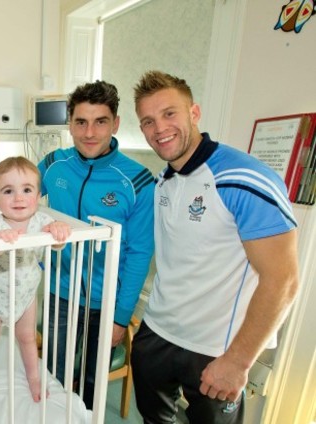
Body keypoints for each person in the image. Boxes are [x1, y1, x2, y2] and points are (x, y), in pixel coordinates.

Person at [131, 70, 300, 424]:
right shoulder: (164, 181)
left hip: (215, 350)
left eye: (169, 113)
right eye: (148, 120)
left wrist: (238, 363)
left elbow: (282, 280)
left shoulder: (244, 179)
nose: (159, 127)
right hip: (158, 333)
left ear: (194, 113)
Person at [37, 80, 155, 409]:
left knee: (92, 379)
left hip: (106, 303)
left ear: (115, 123)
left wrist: (120, 318)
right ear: (70, 124)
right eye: (81, 122)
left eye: (100, 121)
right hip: (59, 293)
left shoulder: (138, 180)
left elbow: (140, 253)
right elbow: (16, 190)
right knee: (53, 374)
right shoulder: (52, 164)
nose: (90, 133)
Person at [0, 156, 71, 402]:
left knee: (28, 339)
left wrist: (59, 231)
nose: (18, 198)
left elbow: (57, 244)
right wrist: (0, 240)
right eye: (8, 191)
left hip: (27, 296)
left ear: (39, 194)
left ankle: (33, 378)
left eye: (27, 190)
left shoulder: (43, 221)